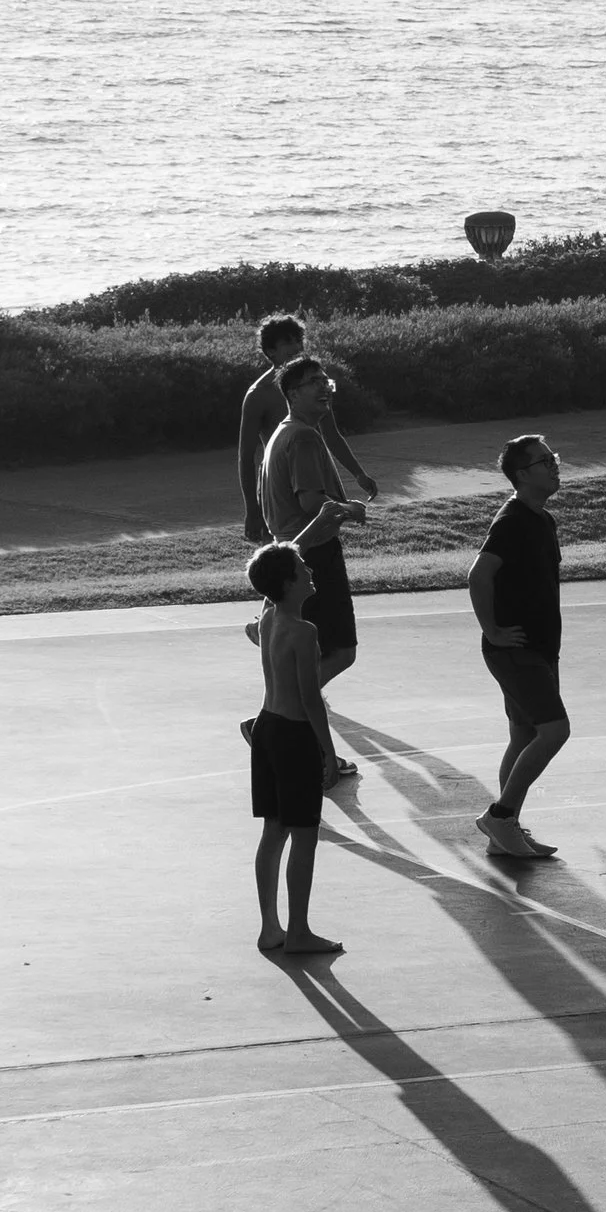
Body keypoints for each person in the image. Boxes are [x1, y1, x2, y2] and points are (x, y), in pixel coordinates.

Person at [259, 354, 368, 778]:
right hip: (313, 555)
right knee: (340, 652)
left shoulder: (283, 432)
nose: (324, 387)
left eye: (326, 380)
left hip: (290, 550)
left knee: (315, 653)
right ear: (291, 393)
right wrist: (349, 509)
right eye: (312, 382)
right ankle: (277, 720)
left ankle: (280, 723)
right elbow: (311, 503)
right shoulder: (304, 437)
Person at [469, 434, 571, 862]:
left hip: (539, 649)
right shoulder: (512, 521)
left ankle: (506, 829)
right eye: (545, 461)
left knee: (524, 734)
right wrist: (492, 631)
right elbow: (479, 575)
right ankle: (500, 816)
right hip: (515, 650)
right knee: (555, 730)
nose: (554, 466)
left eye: (553, 458)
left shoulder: (541, 519)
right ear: (522, 474)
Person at [246, 537, 343, 960]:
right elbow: (310, 699)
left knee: (274, 831)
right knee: (304, 836)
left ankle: (271, 927)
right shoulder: (304, 632)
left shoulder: (269, 618)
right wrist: (328, 753)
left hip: (266, 726)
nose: (310, 572)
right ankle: (299, 931)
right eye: (303, 570)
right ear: (287, 583)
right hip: (293, 735)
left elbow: (263, 594)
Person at [238, 312, 376, 541]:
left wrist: (359, 473)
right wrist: (252, 510)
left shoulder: (319, 384)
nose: (296, 347)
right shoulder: (257, 394)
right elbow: (246, 457)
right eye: (287, 342)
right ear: (270, 351)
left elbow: (331, 434)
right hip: (280, 482)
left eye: (299, 340)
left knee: (324, 541)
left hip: (312, 476)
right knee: (284, 551)